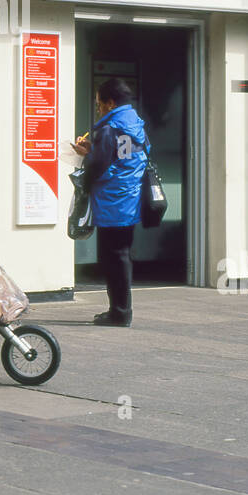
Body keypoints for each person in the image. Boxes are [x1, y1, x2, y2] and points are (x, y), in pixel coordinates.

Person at [71, 77, 148, 328]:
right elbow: (125, 157)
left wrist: (86, 156)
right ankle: (120, 310)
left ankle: (119, 313)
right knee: (122, 254)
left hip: (112, 201)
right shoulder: (134, 124)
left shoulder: (109, 128)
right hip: (129, 198)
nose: (98, 109)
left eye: (99, 104)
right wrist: (96, 150)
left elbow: (98, 166)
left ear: (110, 103)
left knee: (112, 258)